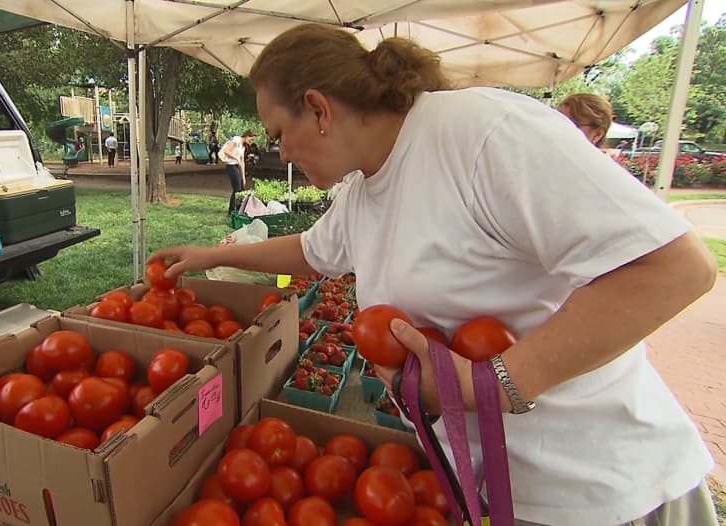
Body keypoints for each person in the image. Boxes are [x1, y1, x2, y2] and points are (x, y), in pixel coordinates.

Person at [152, 23, 719, 526]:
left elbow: (673, 268)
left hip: (603, 486)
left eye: (278, 132)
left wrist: (486, 385)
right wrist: (209, 255)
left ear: (319, 109)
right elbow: (312, 250)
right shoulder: (365, 184)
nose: (279, 151)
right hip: (503, 486)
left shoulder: (485, 135)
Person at [218, 129, 257, 214]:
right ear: (247, 136)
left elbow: (242, 162)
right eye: (251, 139)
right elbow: (227, 151)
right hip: (230, 165)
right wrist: (236, 158)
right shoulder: (236, 140)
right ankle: (232, 211)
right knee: (237, 188)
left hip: (235, 166)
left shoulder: (243, 146)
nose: (251, 141)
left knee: (241, 188)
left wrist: (243, 177)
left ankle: (239, 209)